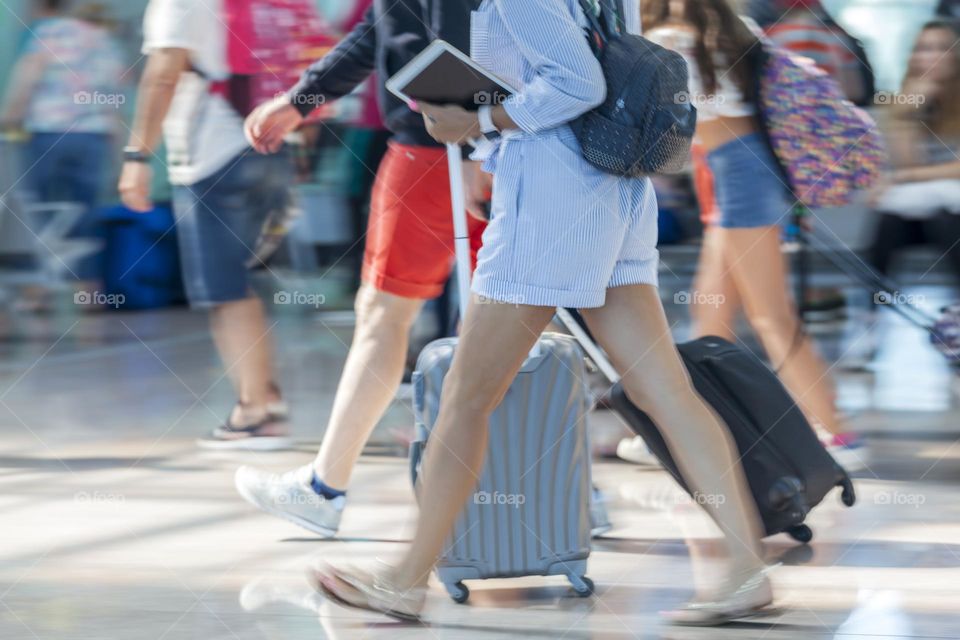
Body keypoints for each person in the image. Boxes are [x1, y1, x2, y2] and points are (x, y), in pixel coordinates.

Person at [303, 0, 773, 626]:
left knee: (467, 396)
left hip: (550, 198)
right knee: (667, 391)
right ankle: (746, 568)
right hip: (616, 187)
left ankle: (406, 579)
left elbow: (579, 83)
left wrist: (480, 121)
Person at [232, 0, 490, 535]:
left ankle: (323, 489)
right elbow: (384, 28)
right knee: (509, 315)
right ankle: (571, 492)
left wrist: (464, 150)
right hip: (477, 149)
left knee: (386, 316)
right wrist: (301, 100)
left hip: (439, 153)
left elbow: (450, 43)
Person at [643, 0, 865, 471]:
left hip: (739, 176)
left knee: (769, 314)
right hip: (745, 169)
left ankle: (835, 428)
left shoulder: (667, 38)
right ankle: (699, 433)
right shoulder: (732, 27)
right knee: (711, 312)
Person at [119, 0, 296, 449]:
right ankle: (267, 395)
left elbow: (163, 74)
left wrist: (137, 156)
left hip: (215, 154)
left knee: (224, 288)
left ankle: (254, 412)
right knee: (243, 280)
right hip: (273, 143)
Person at [0, 0, 125, 302]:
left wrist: (8, 119)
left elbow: (27, 79)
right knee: (85, 214)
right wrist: (121, 156)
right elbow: (114, 98)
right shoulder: (101, 38)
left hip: (48, 133)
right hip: (93, 138)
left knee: (37, 213)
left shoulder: (48, 32)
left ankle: (36, 291)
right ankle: (88, 292)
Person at [869, 20, 960, 284]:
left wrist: (903, 178)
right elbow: (906, 162)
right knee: (889, 222)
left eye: (941, 48)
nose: (931, 57)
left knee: (946, 220)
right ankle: (875, 303)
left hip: (951, 208)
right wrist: (909, 112)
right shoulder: (904, 102)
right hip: (926, 204)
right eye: (923, 48)